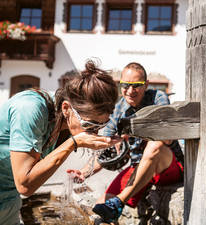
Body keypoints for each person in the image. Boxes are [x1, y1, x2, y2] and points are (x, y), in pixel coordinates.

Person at [0, 59, 121, 225]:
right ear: (66, 108)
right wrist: (73, 143)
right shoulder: (29, 109)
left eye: (101, 124)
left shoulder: (64, 120)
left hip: (8, 200)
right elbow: (25, 185)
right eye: (89, 125)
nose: (95, 132)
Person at [69, 62, 184, 224]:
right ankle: (112, 207)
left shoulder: (158, 98)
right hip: (139, 168)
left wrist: (132, 132)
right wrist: (84, 172)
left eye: (136, 86)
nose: (130, 91)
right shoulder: (119, 108)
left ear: (146, 85)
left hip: (168, 166)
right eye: (126, 85)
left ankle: (118, 202)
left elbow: (167, 138)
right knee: (99, 210)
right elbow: (105, 146)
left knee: (155, 145)